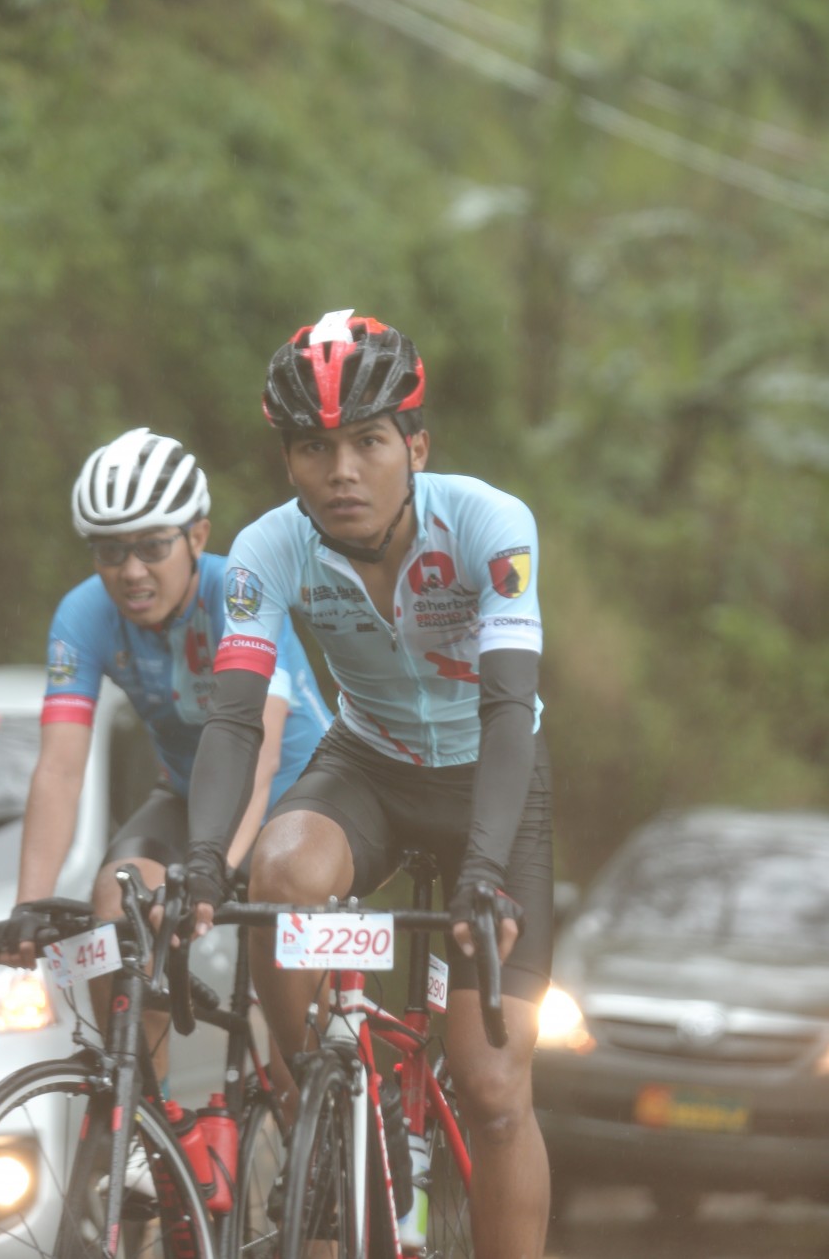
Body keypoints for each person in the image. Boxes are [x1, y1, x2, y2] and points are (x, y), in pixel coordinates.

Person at [185, 312, 553, 1259]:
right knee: (279, 870)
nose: (341, 470)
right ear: (289, 462)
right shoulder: (268, 549)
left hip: (490, 777)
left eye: (368, 443)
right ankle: (323, 1106)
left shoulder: (490, 524)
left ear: (415, 448)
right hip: (370, 766)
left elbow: (509, 708)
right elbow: (234, 719)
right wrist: (201, 860)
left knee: (493, 1089)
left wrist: (484, 871)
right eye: (315, 448)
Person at [0, 427, 331, 1079]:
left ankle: (309, 1111)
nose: (131, 570)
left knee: (292, 1043)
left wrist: (215, 870)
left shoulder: (240, 592)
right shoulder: (84, 615)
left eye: (151, 546)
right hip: (189, 794)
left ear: (197, 536)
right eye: (109, 550)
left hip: (300, 797)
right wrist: (29, 905)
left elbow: (258, 759)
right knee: (112, 906)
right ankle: (137, 1112)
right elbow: (59, 770)